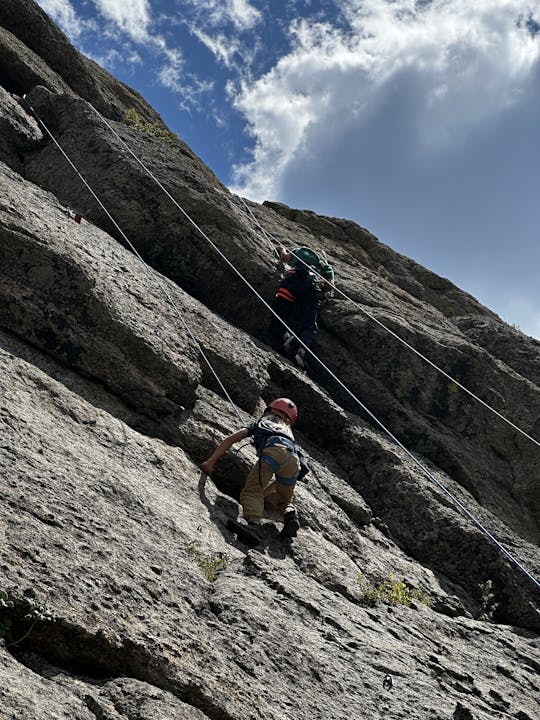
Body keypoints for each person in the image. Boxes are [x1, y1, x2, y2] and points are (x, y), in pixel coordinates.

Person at [200, 398, 305, 538]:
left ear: (270, 410)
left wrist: (210, 463)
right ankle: (289, 516)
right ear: (288, 420)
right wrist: (266, 493)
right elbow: (297, 471)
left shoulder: (260, 423)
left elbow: (231, 439)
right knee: (283, 500)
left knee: (252, 491)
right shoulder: (288, 432)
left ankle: (254, 526)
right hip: (293, 459)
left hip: (272, 451)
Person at [269, 260, 321, 370]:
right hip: (309, 291)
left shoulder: (298, 254)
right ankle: (300, 351)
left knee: (279, 314)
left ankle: (285, 336)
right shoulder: (324, 268)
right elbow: (330, 285)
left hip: (288, 284)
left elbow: (283, 254)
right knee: (309, 324)